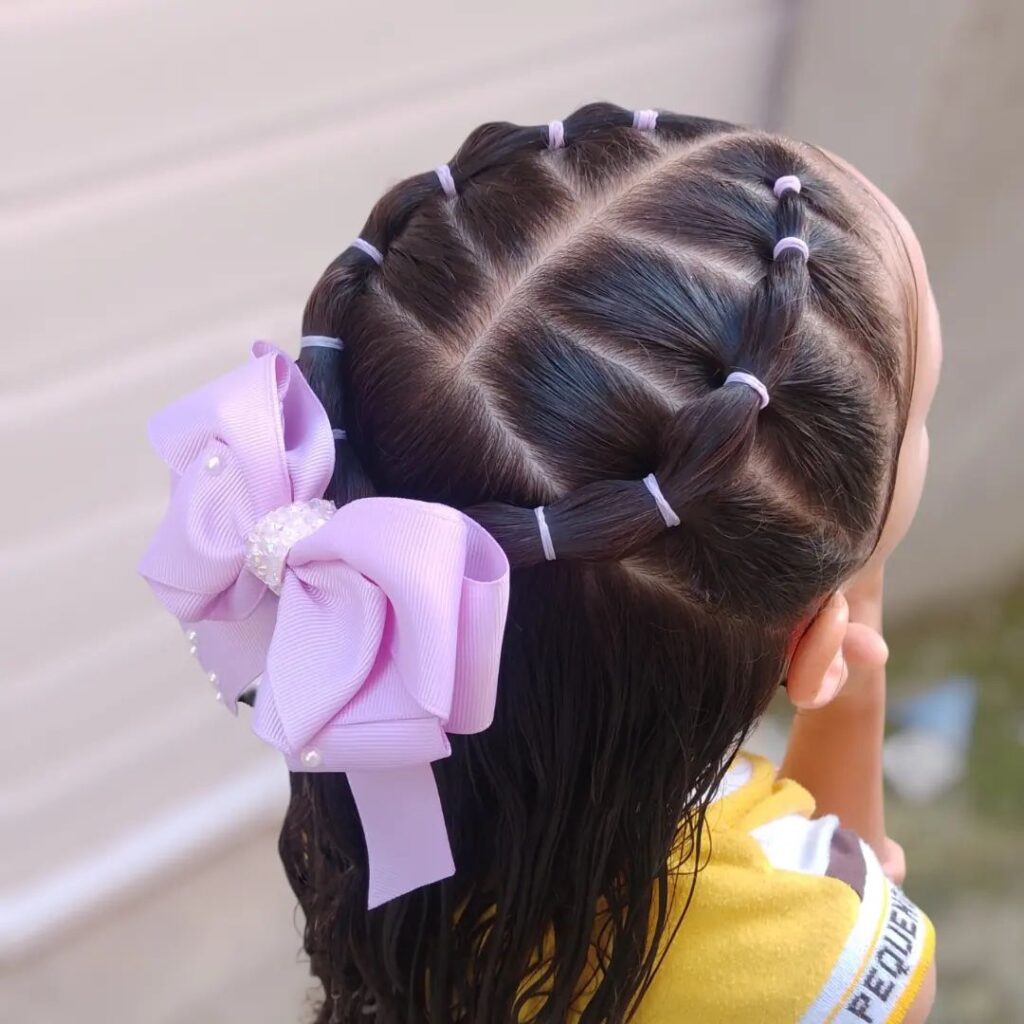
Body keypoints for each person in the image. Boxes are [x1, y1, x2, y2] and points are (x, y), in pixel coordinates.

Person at [139, 102, 941, 1022]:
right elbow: (864, 887)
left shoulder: (394, 812)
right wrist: (853, 709)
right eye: (923, 414)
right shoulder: (815, 959)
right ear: (811, 646)